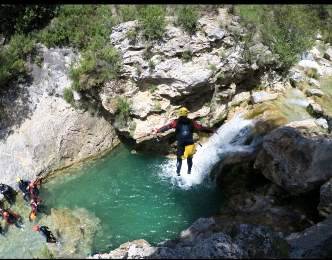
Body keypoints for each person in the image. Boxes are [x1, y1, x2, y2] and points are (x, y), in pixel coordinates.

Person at [152, 107, 214, 176]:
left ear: (179, 114)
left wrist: (158, 130)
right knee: (189, 157)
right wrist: (210, 131)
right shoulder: (192, 122)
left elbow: (167, 127)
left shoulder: (176, 122)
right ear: (187, 114)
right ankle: (189, 171)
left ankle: (178, 172)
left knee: (179, 158)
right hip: (189, 142)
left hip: (181, 142)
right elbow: (200, 128)